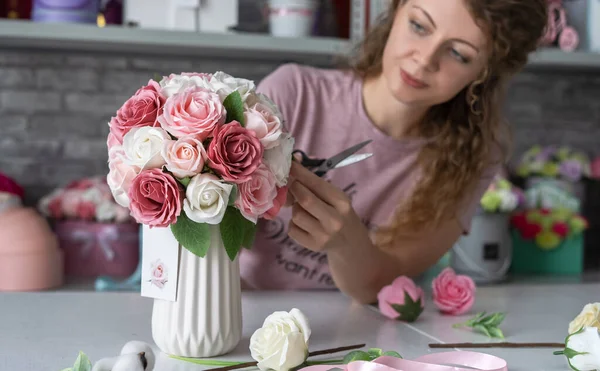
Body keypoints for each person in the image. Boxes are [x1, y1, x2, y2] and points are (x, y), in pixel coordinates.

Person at [239, 0, 548, 304]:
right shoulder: (294, 93)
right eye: (419, 26)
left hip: (356, 330)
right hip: (246, 312)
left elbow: (382, 285)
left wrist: (347, 243)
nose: (425, 60)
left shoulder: (476, 156)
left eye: (458, 53)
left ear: (486, 73)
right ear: (396, 10)